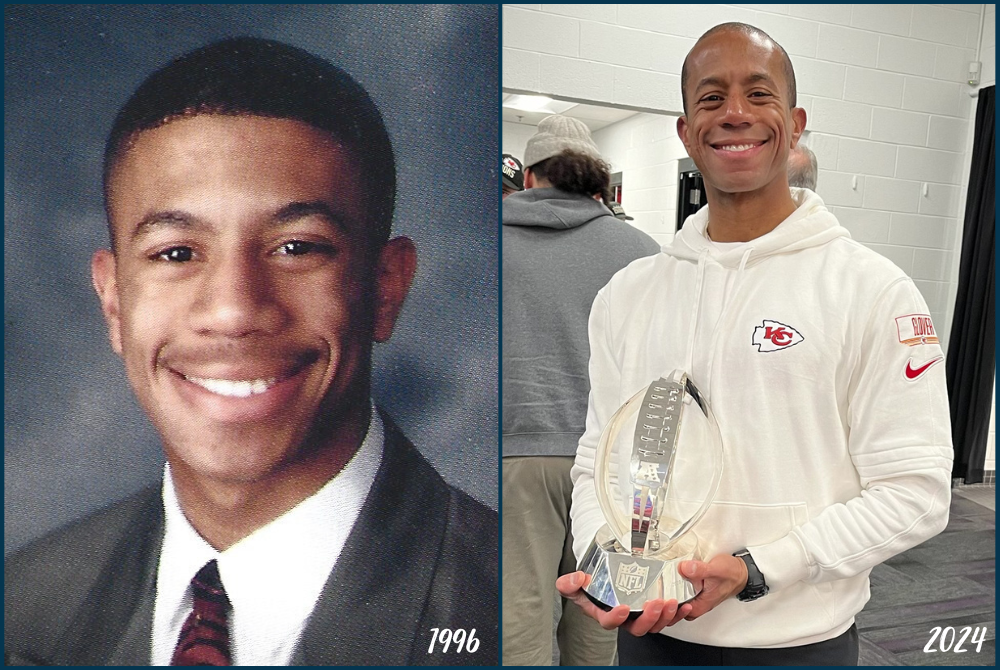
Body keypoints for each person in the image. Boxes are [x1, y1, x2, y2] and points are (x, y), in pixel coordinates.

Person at [4, 37, 497, 666]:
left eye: (297, 247)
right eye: (176, 253)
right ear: (114, 304)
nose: (234, 311)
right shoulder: (24, 603)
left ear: (385, 288)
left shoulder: (494, 607)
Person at [558, 22, 952, 666]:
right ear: (686, 132)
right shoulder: (627, 294)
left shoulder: (873, 290)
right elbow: (598, 454)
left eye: (758, 94)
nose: (734, 113)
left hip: (796, 645)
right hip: (650, 644)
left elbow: (916, 492)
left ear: (795, 124)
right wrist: (607, 565)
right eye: (710, 98)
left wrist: (761, 568)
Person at [502, 114, 660, 665]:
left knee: (520, 612)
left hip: (517, 453)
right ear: (598, 181)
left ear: (528, 178)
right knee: (605, 612)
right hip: (618, 465)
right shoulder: (643, 251)